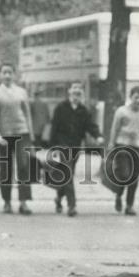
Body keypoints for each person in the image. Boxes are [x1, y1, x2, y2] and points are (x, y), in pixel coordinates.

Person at [48, 82, 102, 217]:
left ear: (81, 94)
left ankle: (59, 197)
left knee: (68, 175)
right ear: (69, 92)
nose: (76, 93)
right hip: (63, 145)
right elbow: (54, 127)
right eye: (74, 89)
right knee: (67, 174)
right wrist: (52, 147)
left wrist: (98, 136)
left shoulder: (84, 111)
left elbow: (91, 126)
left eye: (79, 91)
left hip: (76, 147)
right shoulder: (61, 108)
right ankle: (72, 205)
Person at [0, 63, 35, 215]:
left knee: (23, 166)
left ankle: (23, 202)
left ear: (14, 74)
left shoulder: (21, 92)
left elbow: (27, 115)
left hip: (22, 133)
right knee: (6, 169)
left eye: (10, 72)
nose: (7, 75)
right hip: (4, 136)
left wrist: (31, 137)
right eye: (4, 72)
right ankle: (7, 202)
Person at [107, 85, 139, 215]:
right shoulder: (121, 111)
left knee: (134, 177)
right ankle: (118, 196)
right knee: (125, 175)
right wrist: (111, 143)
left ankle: (129, 205)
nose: (138, 100)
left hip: (136, 147)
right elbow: (114, 128)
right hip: (122, 146)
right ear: (130, 97)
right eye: (136, 97)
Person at [27, 83, 51, 147]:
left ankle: (36, 148)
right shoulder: (44, 103)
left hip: (34, 124)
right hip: (42, 124)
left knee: (35, 138)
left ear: (35, 95)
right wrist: (47, 122)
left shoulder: (32, 103)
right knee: (40, 137)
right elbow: (48, 115)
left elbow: (29, 114)